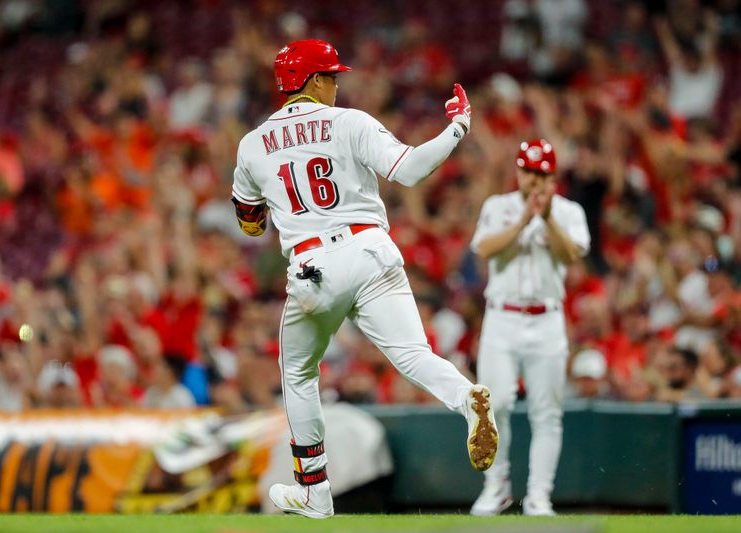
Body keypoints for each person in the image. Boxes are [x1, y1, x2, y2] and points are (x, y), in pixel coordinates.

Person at [231, 39, 498, 518]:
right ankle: (465, 397)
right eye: (332, 76)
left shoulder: (252, 144)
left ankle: (313, 488)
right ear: (313, 81)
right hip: (373, 250)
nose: (336, 84)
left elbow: (249, 222)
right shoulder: (349, 122)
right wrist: (457, 128)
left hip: (314, 266)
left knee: (297, 373)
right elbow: (411, 170)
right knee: (414, 354)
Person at [469, 139, 590, 516]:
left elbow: (571, 254)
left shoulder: (568, 212)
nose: (534, 181)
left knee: (546, 412)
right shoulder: (498, 206)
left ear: (552, 176)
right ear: (517, 172)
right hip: (501, 318)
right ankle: (497, 487)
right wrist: (524, 219)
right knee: (495, 404)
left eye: (541, 174)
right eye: (528, 171)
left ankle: (539, 495)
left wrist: (547, 217)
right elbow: (485, 250)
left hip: (547, 319)